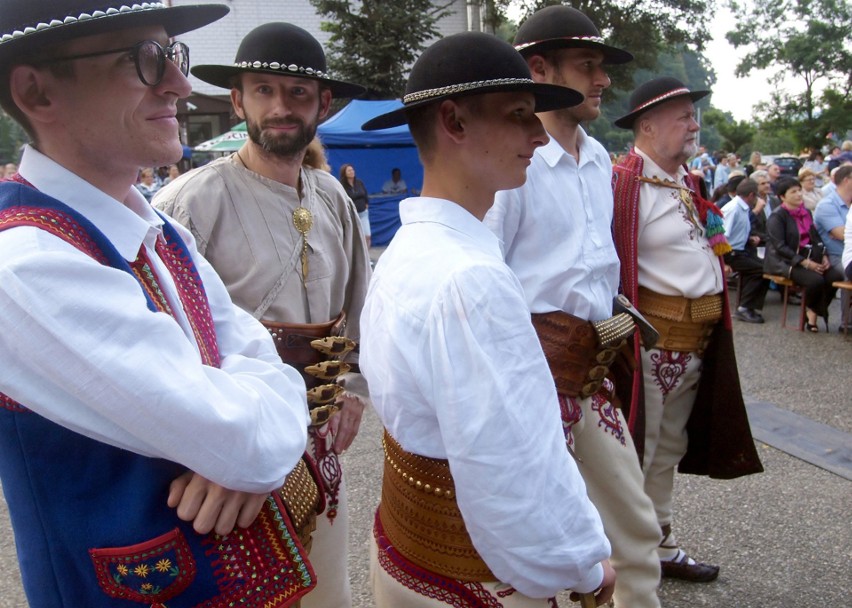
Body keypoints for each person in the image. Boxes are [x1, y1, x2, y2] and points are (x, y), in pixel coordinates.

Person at [0, 2, 322, 607]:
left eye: (173, 55)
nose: (179, 82)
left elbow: (265, 375)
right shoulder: (25, 266)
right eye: (144, 60)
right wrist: (243, 443)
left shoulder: (152, 227)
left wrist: (243, 437)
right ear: (37, 92)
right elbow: (244, 437)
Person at [360, 31, 615, 607]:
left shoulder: (409, 248)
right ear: (453, 122)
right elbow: (512, 469)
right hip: (470, 582)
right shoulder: (470, 278)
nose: (535, 134)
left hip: (406, 553)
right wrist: (582, 566)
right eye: (520, 116)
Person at [154, 22, 371, 608]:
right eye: (264, 89)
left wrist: (349, 388)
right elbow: (162, 344)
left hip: (319, 448)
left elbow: (357, 305)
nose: (281, 106)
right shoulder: (185, 205)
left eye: (298, 93)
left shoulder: (332, 196)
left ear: (323, 104)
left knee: (329, 594)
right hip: (230, 457)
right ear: (237, 100)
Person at [486, 6, 661, 608]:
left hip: (590, 373)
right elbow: (483, 279)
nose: (603, 79)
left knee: (634, 527)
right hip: (529, 382)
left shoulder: (597, 162)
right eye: (588, 65)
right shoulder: (513, 164)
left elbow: (595, 271)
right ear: (540, 69)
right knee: (534, 543)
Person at [611, 76, 763, 584]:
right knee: (643, 447)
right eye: (683, 116)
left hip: (694, 342)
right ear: (647, 126)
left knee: (667, 446)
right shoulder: (623, 184)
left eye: (692, 116)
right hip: (651, 344)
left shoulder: (686, 182)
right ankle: (633, 553)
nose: (694, 125)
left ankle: (658, 541)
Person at [764, 177, 843, 332]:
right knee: (816, 281)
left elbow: (815, 237)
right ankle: (811, 312)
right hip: (786, 261)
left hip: (809, 256)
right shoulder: (777, 216)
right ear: (782, 197)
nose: (799, 194)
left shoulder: (805, 212)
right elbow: (780, 247)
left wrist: (824, 255)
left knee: (835, 275)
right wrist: (804, 263)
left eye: (799, 190)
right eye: (793, 192)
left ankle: (813, 310)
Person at [721, 178, 770, 323]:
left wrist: (748, 238)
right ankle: (744, 308)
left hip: (740, 249)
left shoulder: (742, 208)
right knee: (759, 270)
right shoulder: (733, 209)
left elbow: (737, 231)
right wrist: (723, 261)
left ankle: (750, 307)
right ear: (751, 195)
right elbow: (722, 236)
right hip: (730, 252)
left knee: (765, 268)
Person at [812, 165, 852, 329]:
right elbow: (841, 234)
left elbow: (842, 233)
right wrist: (843, 231)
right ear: (846, 180)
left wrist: (843, 231)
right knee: (845, 273)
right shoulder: (827, 205)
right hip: (833, 255)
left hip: (843, 250)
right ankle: (847, 322)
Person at [339, 162, 371, 247]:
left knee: (367, 235)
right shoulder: (342, 185)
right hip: (351, 214)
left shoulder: (359, 182)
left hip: (363, 213)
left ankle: (366, 257)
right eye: (349, 170)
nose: (351, 171)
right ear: (344, 173)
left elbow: (365, 194)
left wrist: (366, 204)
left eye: (352, 170)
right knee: (354, 238)